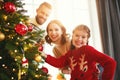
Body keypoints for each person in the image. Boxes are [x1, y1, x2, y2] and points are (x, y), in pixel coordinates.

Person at [42, 24, 116, 80]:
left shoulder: (88, 50)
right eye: (77, 35)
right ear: (72, 36)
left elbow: (110, 62)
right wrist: (45, 56)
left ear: (87, 40)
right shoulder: (70, 53)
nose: (79, 39)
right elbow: (58, 62)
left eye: (83, 37)